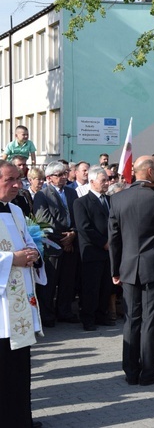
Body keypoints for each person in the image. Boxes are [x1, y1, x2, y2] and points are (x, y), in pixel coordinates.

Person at [109, 155, 154, 385]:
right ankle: (149, 371)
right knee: (151, 319)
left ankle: (131, 371)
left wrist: (115, 269)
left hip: (129, 267)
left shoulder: (118, 199)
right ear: (149, 172)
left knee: (132, 319)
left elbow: (114, 238)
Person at [0, 160, 45, 427]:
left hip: (18, 307)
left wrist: (34, 254)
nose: (18, 185)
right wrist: (11, 260)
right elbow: (14, 255)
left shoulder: (16, 210)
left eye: (19, 179)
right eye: (9, 180)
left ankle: (20, 419)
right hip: (1, 307)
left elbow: (30, 241)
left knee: (19, 366)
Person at [33, 161, 80, 326]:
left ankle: (64, 312)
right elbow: (43, 220)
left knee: (67, 281)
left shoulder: (72, 193)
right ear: (49, 178)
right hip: (52, 244)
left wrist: (73, 233)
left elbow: (77, 215)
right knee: (50, 283)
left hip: (70, 242)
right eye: (58, 175)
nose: (63, 178)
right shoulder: (43, 195)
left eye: (64, 174)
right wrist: (64, 238)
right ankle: (47, 315)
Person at [73, 166, 116, 331]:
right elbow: (84, 228)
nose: (107, 183)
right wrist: (103, 243)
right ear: (92, 182)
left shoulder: (111, 200)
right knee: (91, 286)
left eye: (107, 180)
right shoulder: (81, 202)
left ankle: (101, 314)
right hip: (93, 251)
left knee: (106, 285)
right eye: (103, 180)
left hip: (109, 251)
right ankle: (88, 318)